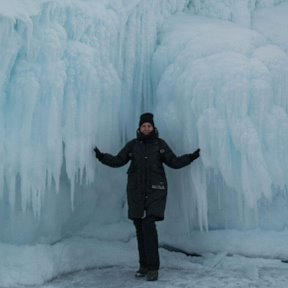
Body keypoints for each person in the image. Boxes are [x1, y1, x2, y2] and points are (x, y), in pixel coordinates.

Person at [93, 113, 200, 281]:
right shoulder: (133, 145)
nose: (146, 128)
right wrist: (101, 156)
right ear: (139, 127)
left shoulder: (160, 145)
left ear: (153, 127)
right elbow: (118, 160)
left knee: (149, 226)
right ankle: (143, 266)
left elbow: (173, 161)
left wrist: (191, 157)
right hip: (136, 192)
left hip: (156, 191)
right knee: (140, 228)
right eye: (144, 126)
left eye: (149, 126)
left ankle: (153, 268)